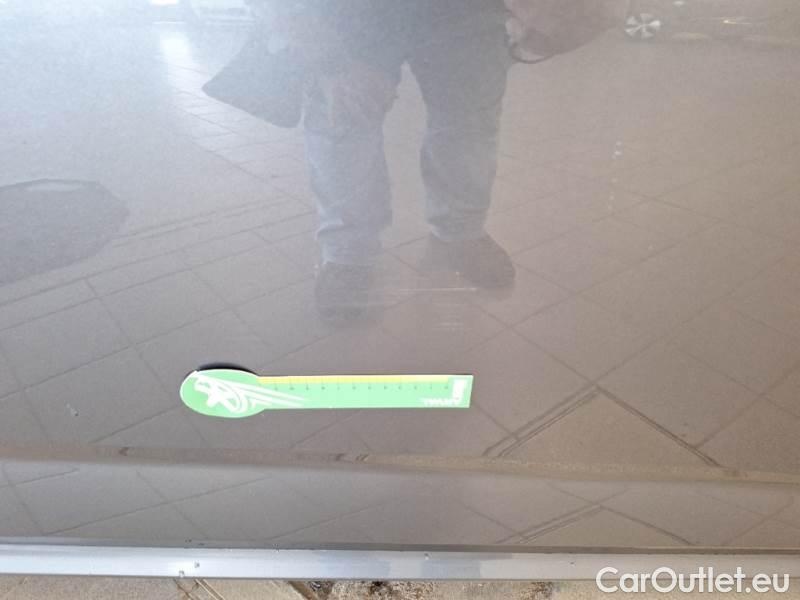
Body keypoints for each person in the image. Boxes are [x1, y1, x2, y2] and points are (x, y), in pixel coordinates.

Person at [269, 1, 517, 317]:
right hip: (347, 9)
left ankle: (461, 228)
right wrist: (323, 53)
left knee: (470, 120)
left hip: (466, 9)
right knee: (342, 117)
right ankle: (348, 250)